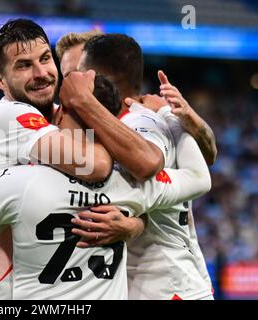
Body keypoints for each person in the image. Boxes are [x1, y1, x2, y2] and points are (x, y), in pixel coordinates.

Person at [0, 19, 162, 299]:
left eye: (45, 59)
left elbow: (130, 187)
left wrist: (133, 224)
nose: (41, 73)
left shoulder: (58, 116)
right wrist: (91, 110)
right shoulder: (9, 116)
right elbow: (97, 167)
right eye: (23, 65)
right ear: (0, 80)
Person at [0, 75, 212, 299]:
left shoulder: (16, 182)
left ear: (62, 112)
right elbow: (199, 177)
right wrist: (170, 116)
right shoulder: (133, 185)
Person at [68, 33, 217, 299]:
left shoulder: (140, 125)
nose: (72, 83)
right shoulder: (111, 122)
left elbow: (148, 166)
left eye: (78, 72)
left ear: (96, 75)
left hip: (165, 284)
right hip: (140, 282)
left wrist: (171, 115)